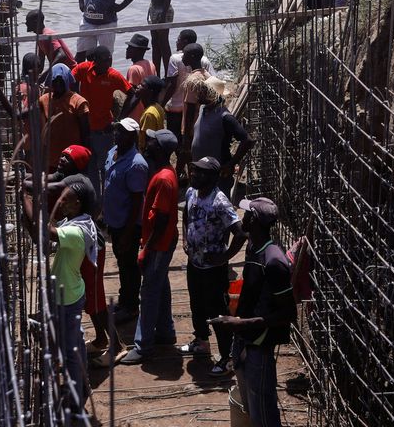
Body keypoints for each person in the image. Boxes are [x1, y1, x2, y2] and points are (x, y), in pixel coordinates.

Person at [211, 198, 296, 427]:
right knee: (250, 406)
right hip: (244, 339)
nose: (242, 216)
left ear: (255, 220)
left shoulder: (274, 261)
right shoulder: (253, 248)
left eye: (247, 213)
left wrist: (242, 324)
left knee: (264, 411)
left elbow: (288, 314)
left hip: (259, 343)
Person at [21, 173, 94, 407]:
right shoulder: (77, 221)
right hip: (71, 290)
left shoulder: (75, 232)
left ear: (78, 203)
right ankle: (82, 385)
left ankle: (74, 397)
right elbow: (38, 234)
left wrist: (26, 197)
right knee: (76, 340)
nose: (60, 202)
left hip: (67, 296)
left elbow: (43, 232)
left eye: (65, 200)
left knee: (69, 350)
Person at [118, 129, 180, 365]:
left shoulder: (163, 178)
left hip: (159, 243)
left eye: (152, 141)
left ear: (160, 148)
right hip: (163, 240)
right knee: (160, 285)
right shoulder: (163, 173)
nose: (147, 142)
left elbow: (161, 218)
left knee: (150, 292)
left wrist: (146, 249)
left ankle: (143, 346)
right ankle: (166, 331)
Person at [180, 156, 245, 377]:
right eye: (194, 170)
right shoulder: (191, 192)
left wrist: (225, 257)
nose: (194, 175)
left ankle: (226, 358)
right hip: (194, 263)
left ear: (212, 177)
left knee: (218, 312)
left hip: (213, 269)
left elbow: (240, 232)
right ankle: (201, 341)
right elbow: (186, 216)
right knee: (196, 304)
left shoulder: (220, 201)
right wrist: (185, 240)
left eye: (200, 172)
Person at [72, 45, 138, 189]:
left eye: (110, 59)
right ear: (95, 60)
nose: (109, 63)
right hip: (86, 130)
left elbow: (133, 94)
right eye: (105, 60)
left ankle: (108, 201)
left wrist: (119, 119)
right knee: (90, 169)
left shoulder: (113, 75)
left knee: (106, 168)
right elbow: (70, 79)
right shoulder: (84, 69)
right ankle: (95, 202)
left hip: (104, 132)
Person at [104, 118, 148, 324]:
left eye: (122, 132)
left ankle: (131, 306)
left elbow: (137, 201)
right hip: (114, 220)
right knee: (122, 264)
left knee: (129, 265)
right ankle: (124, 299)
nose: (117, 134)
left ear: (132, 136)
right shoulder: (112, 152)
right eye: (117, 130)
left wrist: (128, 233)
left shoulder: (136, 164)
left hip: (127, 224)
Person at [185, 77, 254, 203]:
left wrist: (230, 164)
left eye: (203, 91)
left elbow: (248, 140)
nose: (199, 93)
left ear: (212, 95)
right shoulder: (203, 109)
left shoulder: (225, 117)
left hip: (216, 175)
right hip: (201, 171)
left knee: (217, 207)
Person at [40, 63, 91, 169]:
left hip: (72, 160)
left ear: (67, 81)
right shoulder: (44, 100)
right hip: (51, 159)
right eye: (55, 81)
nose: (58, 84)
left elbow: (85, 133)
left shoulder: (79, 102)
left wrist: (84, 158)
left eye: (61, 81)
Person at [163, 40, 212, 140]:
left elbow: (190, 109)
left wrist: (186, 136)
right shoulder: (206, 74)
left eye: (185, 55)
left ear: (191, 57)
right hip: (202, 124)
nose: (182, 57)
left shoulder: (192, 81)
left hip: (192, 129)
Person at [135, 76, 167, 151]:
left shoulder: (149, 114)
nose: (138, 86)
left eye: (142, 86)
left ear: (150, 91)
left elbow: (148, 142)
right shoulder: (158, 107)